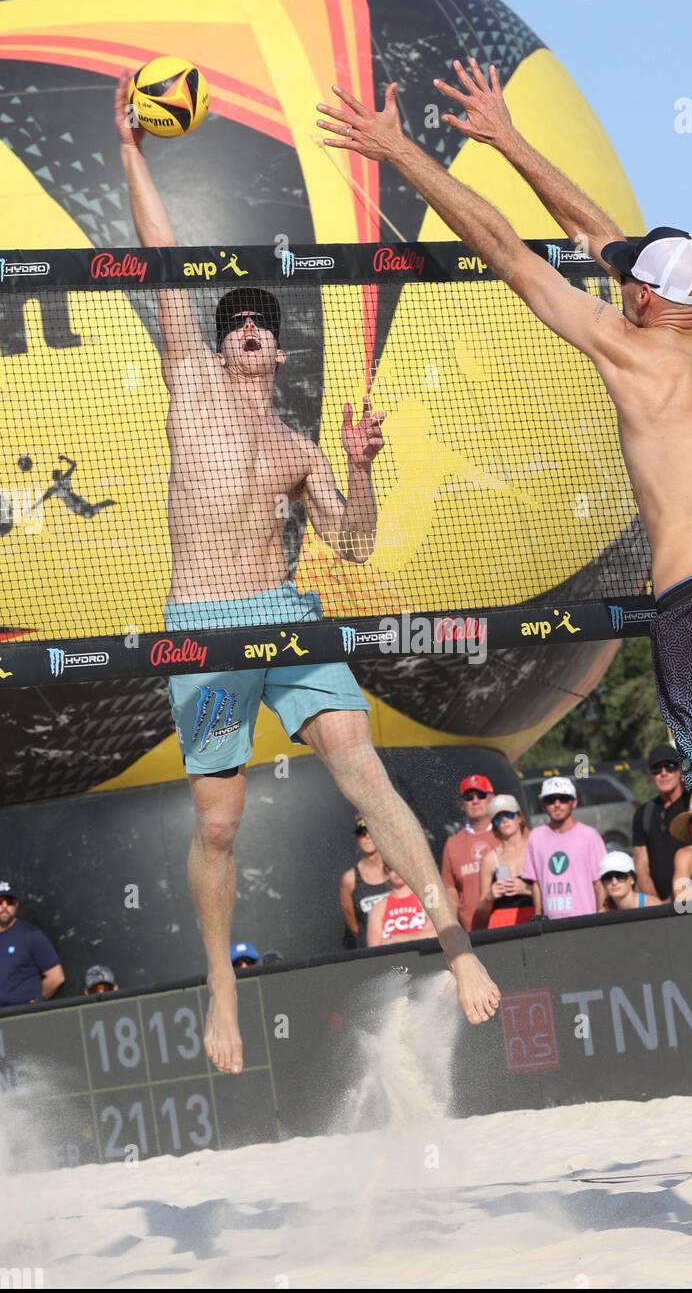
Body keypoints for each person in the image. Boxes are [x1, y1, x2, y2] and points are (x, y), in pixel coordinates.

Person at [320, 64, 692, 1195]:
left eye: (628, 289)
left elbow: (511, 253)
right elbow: (604, 234)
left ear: (646, 305)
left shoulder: (631, 351)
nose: (615, 292)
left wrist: (401, 154)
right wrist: (510, 136)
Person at [116, 74, 499, 1072]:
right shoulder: (189, 384)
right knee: (219, 817)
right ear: (218, 341)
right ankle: (219, 984)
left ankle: (457, 948)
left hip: (283, 612)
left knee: (364, 772)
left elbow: (355, 543)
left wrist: (360, 470)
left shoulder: (297, 446)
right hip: (202, 619)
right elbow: (162, 262)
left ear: (277, 349)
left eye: (260, 323)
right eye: (234, 319)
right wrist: (130, 151)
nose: (246, 328)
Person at [520, 777, 606, 918]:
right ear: (543, 804)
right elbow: (536, 883)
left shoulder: (589, 836)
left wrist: (601, 916)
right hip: (551, 925)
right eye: (550, 799)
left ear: (574, 802)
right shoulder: (536, 837)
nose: (557, 804)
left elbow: (600, 882)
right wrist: (537, 916)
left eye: (564, 799)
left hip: (585, 922)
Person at [440, 775, 498, 931]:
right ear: (462, 804)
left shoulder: (509, 832)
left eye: (481, 795)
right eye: (468, 796)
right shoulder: (452, 844)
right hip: (471, 933)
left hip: (508, 924)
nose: (475, 800)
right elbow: (450, 891)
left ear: (492, 799)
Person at [632, 744, 689, 901]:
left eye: (670, 767)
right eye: (657, 769)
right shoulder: (644, 813)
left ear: (680, 770)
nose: (663, 773)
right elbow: (641, 867)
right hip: (658, 906)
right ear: (651, 776)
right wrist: (656, 903)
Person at [0, 881, 64, 1007]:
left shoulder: (32, 935)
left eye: (10, 901)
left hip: (22, 1017)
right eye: (0, 901)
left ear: (17, 904)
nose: (5, 906)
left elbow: (56, 977)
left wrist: (35, 1002)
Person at [475, 794, 534, 929]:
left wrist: (526, 889)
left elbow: (551, 894)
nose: (504, 820)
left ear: (519, 818)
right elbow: (482, 912)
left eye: (508, 814)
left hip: (533, 917)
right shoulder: (490, 859)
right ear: (494, 825)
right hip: (502, 922)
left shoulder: (535, 849)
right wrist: (490, 896)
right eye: (498, 818)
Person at [339, 815, 391, 948]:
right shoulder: (349, 879)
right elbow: (353, 926)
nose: (367, 836)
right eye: (361, 832)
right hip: (373, 953)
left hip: (406, 947)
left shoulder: (398, 871)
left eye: (371, 831)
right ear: (356, 838)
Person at [366, 867, 438, 946]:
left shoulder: (427, 899)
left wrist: (396, 939)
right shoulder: (377, 909)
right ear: (386, 871)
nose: (397, 871)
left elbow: (438, 934)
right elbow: (374, 948)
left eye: (401, 866)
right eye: (391, 867)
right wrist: (421, 935)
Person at [598, 852, 662, 913]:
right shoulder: (602, 914)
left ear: (632, 879)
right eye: (607, 877)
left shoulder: (653, 906)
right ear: (603, 883)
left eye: (620, 876)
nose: (614, 882)